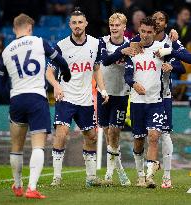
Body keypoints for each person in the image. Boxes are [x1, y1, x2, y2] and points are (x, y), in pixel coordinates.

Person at [0, 13, 71, 199]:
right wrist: (66, 73)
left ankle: (18, 185)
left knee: (16, 146)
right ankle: (31, 188)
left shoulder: (6, 51)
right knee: (38, 145)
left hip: (17, 100)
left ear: (14, 29)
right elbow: (59, 60)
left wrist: (11, 98)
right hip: (37, 98)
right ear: (30, 28)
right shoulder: (39, 42)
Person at [46, 8, 109, 187]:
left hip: (86, 99)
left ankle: (90, 178)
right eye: (74, 22)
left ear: (86, 24)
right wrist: (56, 85)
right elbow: (49, 72)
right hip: (66, 97)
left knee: (91, 137)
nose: (77, 26)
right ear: (69, 25)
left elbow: (97, 69)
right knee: (62, 133)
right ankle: (56, 178)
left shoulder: (96, 44)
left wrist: (103, 90)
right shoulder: (61, 46)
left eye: (80, 22)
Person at [124, 17, 184, 188]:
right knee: (138, 141)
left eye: (150, 32)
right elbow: (127, 75)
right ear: (139, 31)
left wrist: (171, 64)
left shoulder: (162, 49)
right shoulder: (133, 50)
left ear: (155, 32)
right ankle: (140, 175)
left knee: (154, 136)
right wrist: (134, 84)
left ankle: (149, 177)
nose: (146, 35)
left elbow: (182, 65)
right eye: (143, 31)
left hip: (156, 102)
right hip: (137, 102)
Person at [98, 13, 131, 186]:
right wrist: (121, 52)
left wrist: (125, 51)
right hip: (103, 92)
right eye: (112, 25)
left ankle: (109, 175)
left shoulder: (130, 44)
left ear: (124, 27)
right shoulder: (102, 42)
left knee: (114, 132)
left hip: (121, 93)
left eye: (117, 25)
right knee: (107, 134)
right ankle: (120, 170)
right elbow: (105, 60)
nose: (114, 28)